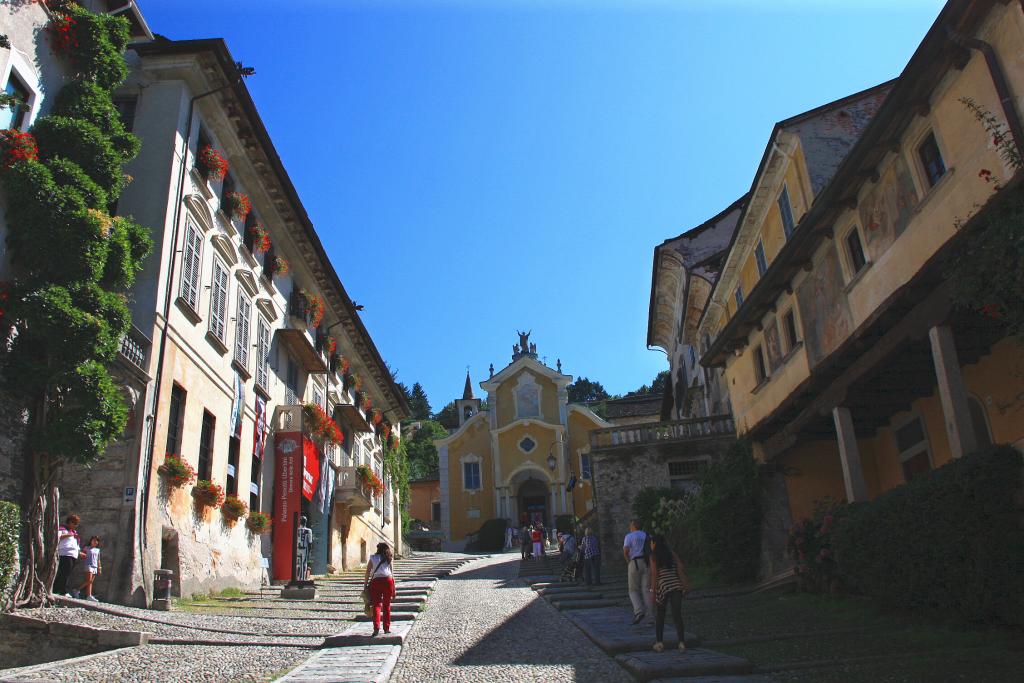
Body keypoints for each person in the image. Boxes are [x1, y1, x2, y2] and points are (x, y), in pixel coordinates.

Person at [649, 534, 690, 652]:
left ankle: (659, 643)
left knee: (660, 615)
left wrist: (653, 591)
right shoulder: (671, 553)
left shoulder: (654, 555)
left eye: (651, 543)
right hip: (676, 585)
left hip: (663, 587)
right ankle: (682, 643)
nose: (651, 545)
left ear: (654, 544)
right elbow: (681, 566)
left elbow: (654, 574)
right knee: (677, 615)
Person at [363, 542, 396, 637]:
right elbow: (392, 574)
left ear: (378, 549)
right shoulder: (389, 558)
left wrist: (365, 585)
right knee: (386, 606)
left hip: (376, 582)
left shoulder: (373, 558)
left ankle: (376, 629)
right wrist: (394, 588)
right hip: (388, 581)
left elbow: (367, 573)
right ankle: (386, 628)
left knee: (376, 605)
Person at [623, 519, 651, 624]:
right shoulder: (646, 535)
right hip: (646, 562)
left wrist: (628, 562)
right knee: (646, 590)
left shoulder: (629, 536)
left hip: (634, 562)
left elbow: (626, 551)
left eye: (630, 525)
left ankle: (639, 611)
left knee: (633, 589)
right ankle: (650, 617)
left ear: (634, 525)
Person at [54, 514, 85, 597]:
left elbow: (75, 545)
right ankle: (62, 591)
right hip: (65, 553)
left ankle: (55, 589)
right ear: (70, 522)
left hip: (73, 555)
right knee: (64, 573)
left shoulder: (74, 533)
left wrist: (79, 553)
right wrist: (70, 535)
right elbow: (58, 536)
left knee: (66, 573)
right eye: (74, 523)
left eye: (77, 524)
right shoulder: (62, 529)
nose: (75, 526)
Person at [76, 536, 102, 602]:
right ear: (91, 541)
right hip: (88, 565)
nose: (95, 542)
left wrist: (99, 568)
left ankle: (77, 590)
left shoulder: (98, 550)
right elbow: (82, 555)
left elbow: (98, 560)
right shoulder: (86, 548)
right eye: (93, 540)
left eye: (96, 541)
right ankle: (89, 595)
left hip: (95, 566)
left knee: (90, 581)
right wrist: (82, 555)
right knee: (89, 581)